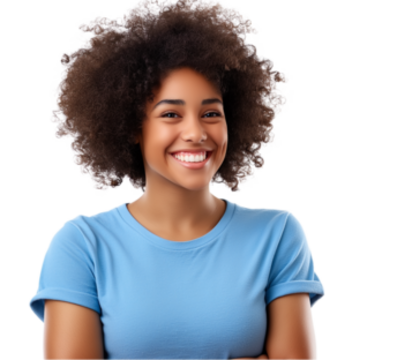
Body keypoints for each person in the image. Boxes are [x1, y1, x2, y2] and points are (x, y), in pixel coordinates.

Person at [31, 1, 322, 359]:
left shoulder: (277, 234)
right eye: (171, 113)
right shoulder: (83, 245)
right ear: (133, 127)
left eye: (211, 113)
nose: (196, 132)